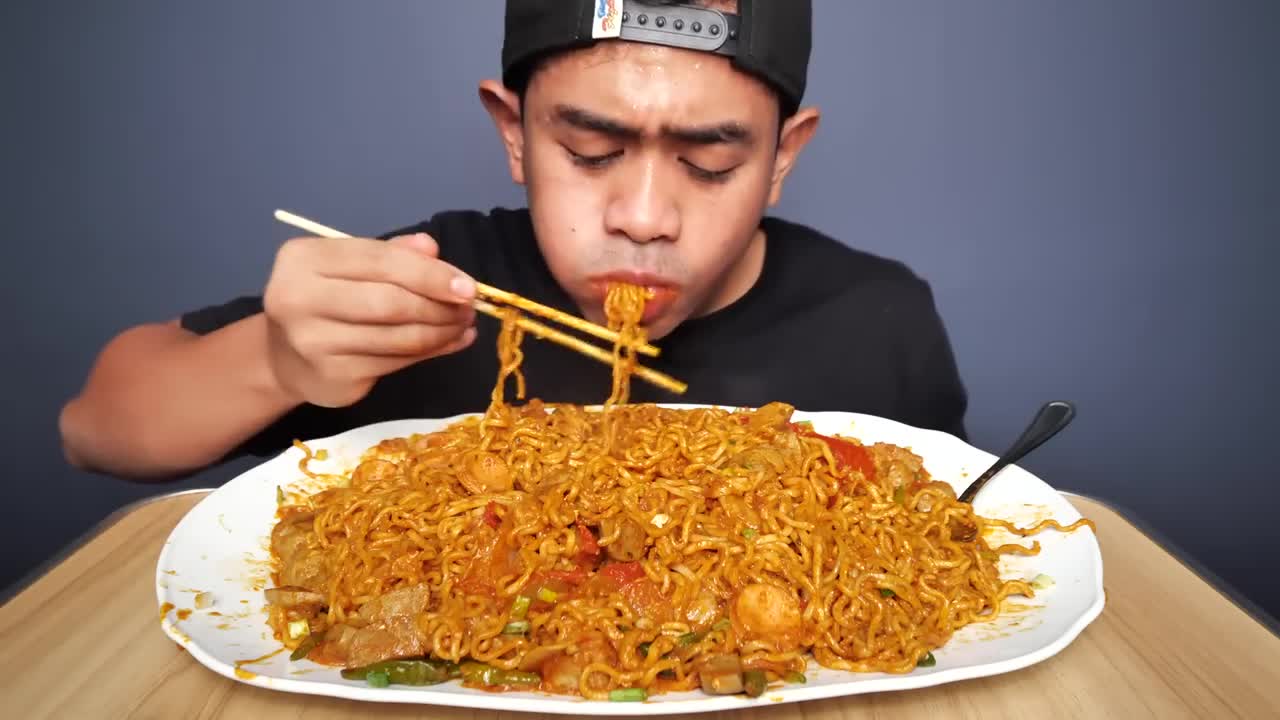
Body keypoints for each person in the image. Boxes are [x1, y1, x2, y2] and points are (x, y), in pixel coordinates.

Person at [58, 0, 969, 481]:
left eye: (712, 164)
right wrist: (276, 360)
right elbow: (94, 430)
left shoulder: (879, 317)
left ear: (780, 158)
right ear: (512, 134)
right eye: (590, 150)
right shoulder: (423, 284)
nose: (644, 215)